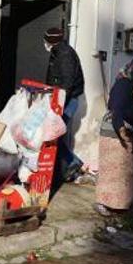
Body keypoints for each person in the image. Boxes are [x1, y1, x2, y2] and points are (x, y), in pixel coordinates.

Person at [94, 57, 133, 217]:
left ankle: (119, 203)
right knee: (111, 171)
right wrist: (122, 132)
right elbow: (117, 110)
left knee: (123, 172)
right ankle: (103, 202)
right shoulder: (123, 85)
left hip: (127, 133)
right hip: (115, 134)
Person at [43, 27, 85, 181]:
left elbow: (67, 84)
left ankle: (73, 162)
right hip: (60, 99)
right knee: (54, 136)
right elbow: (53, 79)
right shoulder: (57, 52)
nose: (45, 43)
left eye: (46, 40)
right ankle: (69, 165)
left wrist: (58, 106)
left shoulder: (65, 55)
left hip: (67, 101)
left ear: (51, 41)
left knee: (55, 135)